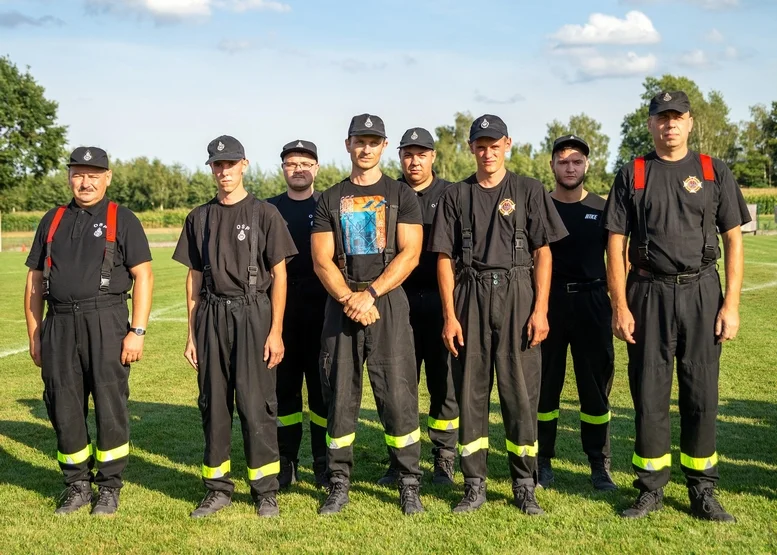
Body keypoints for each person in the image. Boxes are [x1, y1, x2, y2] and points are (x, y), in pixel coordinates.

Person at [603, 91, 751, 521]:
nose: (669, 125)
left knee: (701, 393)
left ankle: (702, 489)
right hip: (647, 293)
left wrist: (732, 304)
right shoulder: (634, 172)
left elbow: (734, 239)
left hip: (703, 292)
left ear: (690, 123)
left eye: (677, 118)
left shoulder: (712, 171)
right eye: (661, 118)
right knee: (649, 393)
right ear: (650, 124)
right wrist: (620, 304)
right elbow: (616, 243)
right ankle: (650, 488)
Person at [429, 114, 567, 515]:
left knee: (521, 395)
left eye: (494, 144)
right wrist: (450, 316)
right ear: (471, 148)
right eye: (480, 145)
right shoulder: (457, 195)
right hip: (470, 291)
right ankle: (474, 484)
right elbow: (442, 257)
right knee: (471, 394)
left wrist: (541, 310)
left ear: (508, 144)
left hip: (518, 293)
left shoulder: (529, 190)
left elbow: (543, 252)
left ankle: (525, 484)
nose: (487, 152)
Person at [23, 146, 153, 515]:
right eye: (79, 174)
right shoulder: (52, 219)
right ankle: (76, 484)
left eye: (93, 175)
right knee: (63, 404)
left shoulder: (122, 218)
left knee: (111, 405)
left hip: (106, 319)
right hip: (59, 322)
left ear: (107, 178)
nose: (85, 182)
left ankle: (109, 486)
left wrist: (137, 330)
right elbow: (34, 282)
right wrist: (36, 333)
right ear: (69, 177)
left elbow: (143, 275)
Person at [173, 135, 298, 518]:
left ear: (244, 164)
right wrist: (191, 334)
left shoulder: (264, 214)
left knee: (257, 404)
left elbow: (279, 275)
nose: (224, 171)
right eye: (217, 164)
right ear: (211, 168)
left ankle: (264, 491)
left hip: (253, 313)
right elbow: (193, 279)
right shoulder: (199, 217)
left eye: (230, 164)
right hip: (211, 315)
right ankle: (217, 488)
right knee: (213, 404)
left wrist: (276, 330)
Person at [311, 114, 425, 515]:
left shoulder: (401, 195)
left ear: (383, 146)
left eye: (374, 142)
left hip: (387, 304)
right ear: (348, 145)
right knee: (340, 397)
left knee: (398, 397)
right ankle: (338, 482)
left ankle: (408, 482)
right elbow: (322, 260)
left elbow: (410, 253)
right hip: (341, 306)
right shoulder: (330, 197)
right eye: (359, 141)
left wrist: (372, 293)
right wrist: (349, 298)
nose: (366, 148)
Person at [375, 127, 458, 487]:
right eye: (408, 154)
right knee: (399, 386)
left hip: (441, 302)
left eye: (422, 153)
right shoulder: (387, 194)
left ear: (433, 157)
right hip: (399, 302)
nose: (415, 160)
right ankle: (399, 461)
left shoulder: (452, 194)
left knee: (444, 384)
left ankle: (443, 458)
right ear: (399, 157)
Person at [536, 135, 616, 491]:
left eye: (577, 161)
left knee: (595, 388)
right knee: (543, 386)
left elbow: (619, 260)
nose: (570, 167)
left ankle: (599, 463)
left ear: (587, 165)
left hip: (593, 302)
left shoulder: (603, 207)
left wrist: (619, 304)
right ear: (551, 165)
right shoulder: (538, 207)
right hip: (548, 304)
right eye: (563, 161)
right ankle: (543, 460)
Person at [267, 139, 329, 489]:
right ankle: (286, 460)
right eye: (292, 164)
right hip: (282, 316)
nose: (299, 169)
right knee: (284, 393)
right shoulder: (269, 210)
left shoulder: (329, 205)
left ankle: (322, 463)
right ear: (283, 170)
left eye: (306, 163)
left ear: (316, 168)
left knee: (323, 394)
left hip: (323, 314)